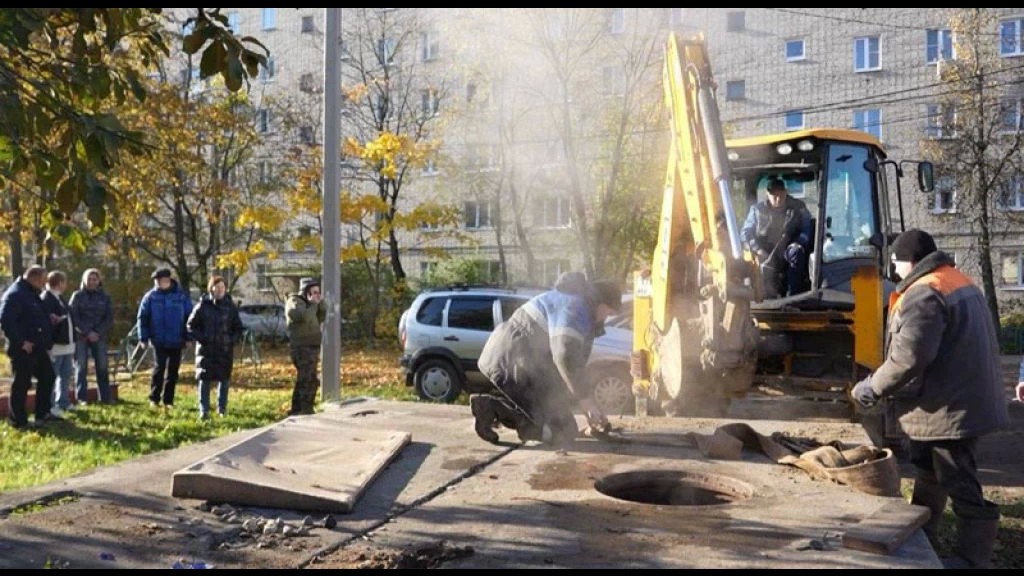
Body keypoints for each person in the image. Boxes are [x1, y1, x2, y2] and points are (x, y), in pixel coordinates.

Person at [851, 229, 1007, 569]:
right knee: (929, 471)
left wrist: (870, 388)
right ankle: (923, 540)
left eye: (895, 264)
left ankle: (971, 559)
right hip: (958, 398)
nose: (894, 273)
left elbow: (908, 358)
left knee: (959, 481)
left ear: (910, 262)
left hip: (950, 408)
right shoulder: (955, 280)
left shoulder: (924, 293)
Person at [469, 273, 620, 446]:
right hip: (515, 359)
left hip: (522, 359)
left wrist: (589, 411)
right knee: (559, 433)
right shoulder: (575, 307)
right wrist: (586, 403)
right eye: (608, 313)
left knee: (565, 428)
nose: (604, 319)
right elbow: (565, 356)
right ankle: (490, 407)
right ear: (600, 302)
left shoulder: (578, 305)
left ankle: (499, 410)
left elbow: (572, 368)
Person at [1, 266, 60, 429]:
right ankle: (18, 420)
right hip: (24, 348)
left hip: (38, 347)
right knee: (21, 384)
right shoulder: (15, 294)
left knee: (48, 376)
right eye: (43, 281)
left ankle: (43, 413)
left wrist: (50, 318)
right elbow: (6, 321)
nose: (44, 285)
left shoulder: (31, 293)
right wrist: (21, 342)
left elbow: (34, 315)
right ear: (33, 278)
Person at [740, 177, 812, 298]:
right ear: (768, 194)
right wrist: (757, 249)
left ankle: (793, 296)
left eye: (781, 195)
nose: (778, 199)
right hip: (765, 251)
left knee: (797, 253)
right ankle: (765, 298)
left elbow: (808, 228)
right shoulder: (757, 210)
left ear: (786, 192)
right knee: (757, 263)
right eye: (774, 195)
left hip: (789, 248)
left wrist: (799, 242)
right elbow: (745, 233)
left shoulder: (798, 207)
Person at [187, 276, 243, 420]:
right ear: (211, 289)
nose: (220, 290)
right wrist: (203, 338)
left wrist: (230, 340)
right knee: (204, 380)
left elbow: (238, 328)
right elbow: (190, 326)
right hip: (206, 350)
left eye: (222, 287)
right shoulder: (202, 306)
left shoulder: (230, 307)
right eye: (217, 287)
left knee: (224, 380)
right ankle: (204, 410)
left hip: (224, 350)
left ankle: (222, 409)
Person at [137, 268, 192, 409]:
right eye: (156, 281)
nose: (158, 283)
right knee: (159, 369)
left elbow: (189, 318)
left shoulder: (181, 296)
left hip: (176, 338)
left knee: (173, 371)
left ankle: (168, 400)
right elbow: (143, 318)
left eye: (160, 280)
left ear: (167, 280)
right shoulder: (150, 297)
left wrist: (189, 337)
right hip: (158, 339)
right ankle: (154, 398)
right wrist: (143, 338)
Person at [69, 268, 114, 405]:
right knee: (81, 367)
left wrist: (97, 332)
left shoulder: (105, 297)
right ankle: (82, 398)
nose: (92, 282)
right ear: (84, 280)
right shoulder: (77, 296)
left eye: (94, 279)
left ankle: (105, 397)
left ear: (99, 281)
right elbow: (73, 316)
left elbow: (109, 318)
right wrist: (87, 332)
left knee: (102, 366)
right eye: (89, 279)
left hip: (99, 337)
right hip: (81, 337)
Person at [285, 277, 326, 415]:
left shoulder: (312, 306)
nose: (316, 295)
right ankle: (304, 408)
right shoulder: (294, 302)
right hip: (301, 347)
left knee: (307, 377)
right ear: (305, 292)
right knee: (307, 378)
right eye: (313, 292)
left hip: (313, 345)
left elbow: (320, 318)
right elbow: (304, 317)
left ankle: (299, 407)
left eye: (318, 292)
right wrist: (314, 305)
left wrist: (321, 304)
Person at [41, 271, 75, 416]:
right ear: (59, 282)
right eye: (64, 282)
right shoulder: (47, 298)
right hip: (56, 345)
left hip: (67, 344)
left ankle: (64, 401)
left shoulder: (60, 298)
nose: (65, 285)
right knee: (52, 376)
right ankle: (50, 405)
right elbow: (47, 321)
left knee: (65, 374)